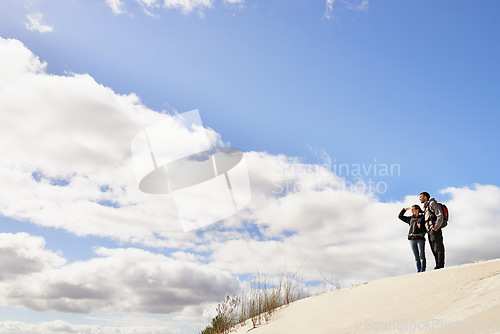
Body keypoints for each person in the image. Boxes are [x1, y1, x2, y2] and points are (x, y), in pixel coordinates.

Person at [419, 191, 445, 269]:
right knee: (434, 248)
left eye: (421, 196)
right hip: (429, 231)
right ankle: (438, 264)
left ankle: (440, 265)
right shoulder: (426, 207)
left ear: (425, 197)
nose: (419, 198)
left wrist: (436, 227)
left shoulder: (432, 204)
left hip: (434, 229)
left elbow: (440, 215)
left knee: (438, 247)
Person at [398, 205, 426, 272]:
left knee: (421, 255)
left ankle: (423, 270)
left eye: (413, 209)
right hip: (412, 239)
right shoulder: (410, 219)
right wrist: (404, 209)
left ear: (417, 210)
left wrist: (420, 227)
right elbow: (400, 216)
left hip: (420, 238)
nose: (412, 211)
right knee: (416, 256)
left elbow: (425, 229)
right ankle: (418, 270)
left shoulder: (423, 217)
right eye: (411, 210)